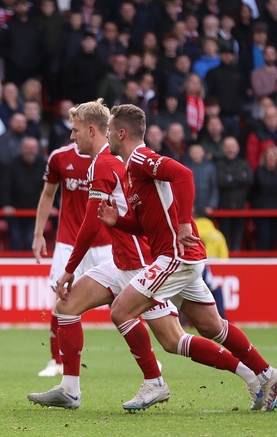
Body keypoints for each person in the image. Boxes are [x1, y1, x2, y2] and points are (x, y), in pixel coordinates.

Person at [28, 100, 264, 411]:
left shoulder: (109, 163)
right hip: (125, 258)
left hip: (144, 262)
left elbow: (89, 223)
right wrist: (121, 223)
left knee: (172, 338)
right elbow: (140, 217)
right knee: (67, 305)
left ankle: (242, 375)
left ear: (95, 130)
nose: (71, 138)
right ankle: (70, 389)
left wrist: (69, 268)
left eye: (74, 131)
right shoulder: (119, 163)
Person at [98, 104, 277, 412]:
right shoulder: (132, 170)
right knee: (212, 327)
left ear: (121, 133)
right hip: (181, 257)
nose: (107, 136)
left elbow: (184, 173)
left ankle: (154, 382)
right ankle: (267, 376)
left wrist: (183, 223)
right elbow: (149, 225)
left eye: (110, 131)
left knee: (120, 311)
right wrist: (120, 222)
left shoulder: (141, 158)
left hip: (176, 257)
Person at [31, 131, 113, 377]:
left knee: (123, 300)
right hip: (68, 241)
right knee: (62, 298)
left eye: (76, 129)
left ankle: (147, 361)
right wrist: (38, 234)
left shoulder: (111, 158)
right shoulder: (59, 157)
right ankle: (56, 361)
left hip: (104, 242)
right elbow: (48, 195)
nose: (71, 134)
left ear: (90, 129)